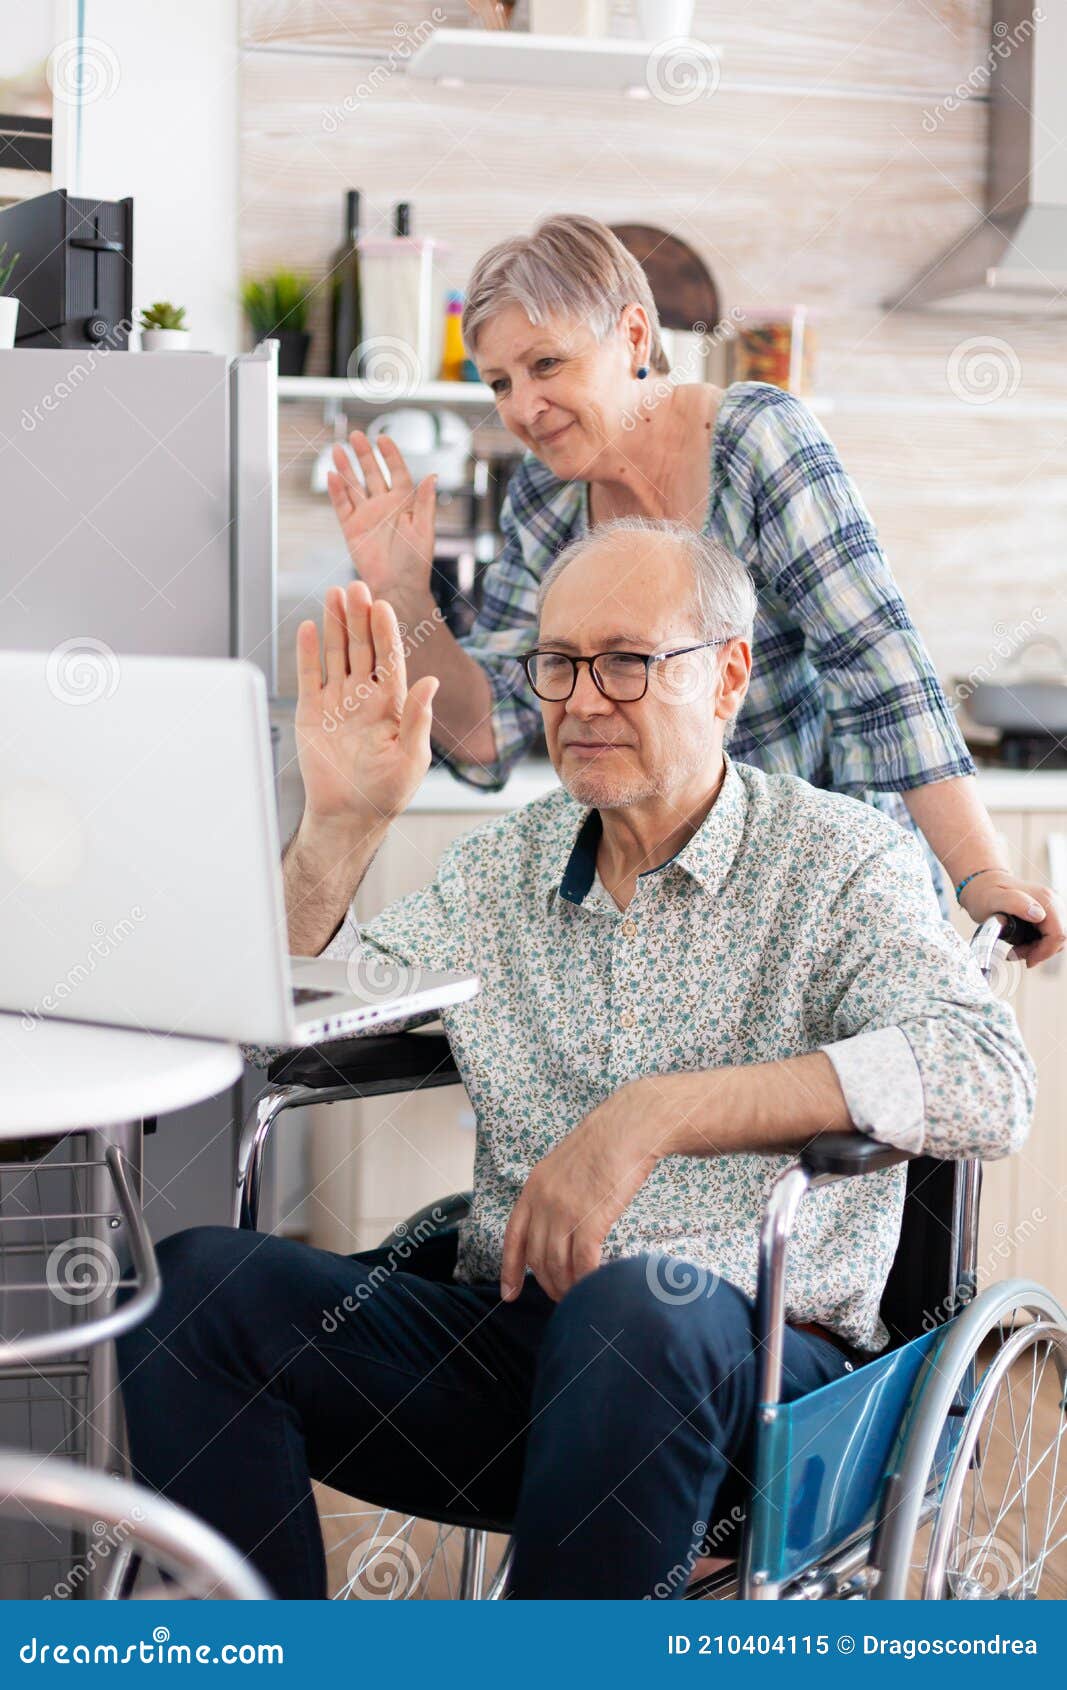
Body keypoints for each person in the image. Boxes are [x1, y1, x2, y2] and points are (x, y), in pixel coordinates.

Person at [116, 520, 1034, 1600]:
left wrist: (648, 1115)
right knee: (193, 1291)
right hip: (519, 1359)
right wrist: (339, 827)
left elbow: (985, 1075)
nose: (581, 699)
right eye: (555, 663)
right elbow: (280, 1022)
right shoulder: (500, 869)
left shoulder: (840, 860)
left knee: (636, 1308)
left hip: (761, 1390)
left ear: (727, 676)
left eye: (627, 662)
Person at [325, 213, 1062, 964]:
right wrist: (404, 593)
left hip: (823, 886)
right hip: (671, 908)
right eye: (499, 383)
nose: (519, 407)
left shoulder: (754, 439)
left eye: (545, 365)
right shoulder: (544, 503)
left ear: (634, 338)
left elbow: (879, 666)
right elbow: (488, 739)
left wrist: (979, 872)